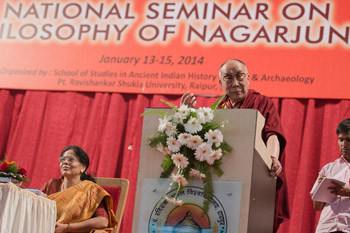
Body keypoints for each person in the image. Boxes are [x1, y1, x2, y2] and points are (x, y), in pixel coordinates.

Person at [181, 58, 288, 231]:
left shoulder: (262, 102)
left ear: (248, 78)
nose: (236, 83)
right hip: (226, 182)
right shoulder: (218, 109)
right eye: (228, 78)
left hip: (256, 178)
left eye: (240, 76)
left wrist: (272, 157)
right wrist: (187, 114)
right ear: (220, 83)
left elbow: (272, 133)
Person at [41, 145, 117, 233]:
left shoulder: (90, 190)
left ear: (83, 167)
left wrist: (67, 227)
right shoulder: (51, 184)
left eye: (70, 159)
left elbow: (102, 221)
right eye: (62, 159)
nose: (65, 162)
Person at [311, 118, 350, 233]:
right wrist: (321, 187)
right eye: (341, 140)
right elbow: (317, 206)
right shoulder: (328, 169)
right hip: (326, 228)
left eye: (349, 140)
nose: (344, 144)